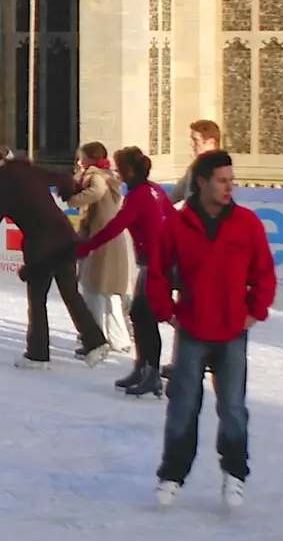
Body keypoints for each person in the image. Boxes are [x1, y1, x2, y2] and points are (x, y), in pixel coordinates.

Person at [148, 150, 276, 511]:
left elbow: (264, 273)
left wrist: (256, 311)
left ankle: (234, 474)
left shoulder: (247, 223)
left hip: (233, 331)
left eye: (231, 180)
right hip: (191, 330)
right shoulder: (177, 224)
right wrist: (166, 311)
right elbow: (157, 273)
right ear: (202, 181)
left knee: (233, 408)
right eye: (222, 180)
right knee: (183, 407)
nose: (229, 187)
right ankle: (172, 475)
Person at [0, 153, 110, 368]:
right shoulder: (34, 173)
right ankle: (96, 342)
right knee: (70, 293)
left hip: (42, 249)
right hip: (65, 238)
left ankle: (37, 354)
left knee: (38, 301)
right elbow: (63, 179)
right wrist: (70, 189)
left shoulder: (5, 191)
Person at [79, 147, 171, 396]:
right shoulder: (154, 189)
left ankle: (150, 374)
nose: (117, 172)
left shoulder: (140, 195)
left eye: (120, 168)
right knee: (141, 315)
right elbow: (172, 217)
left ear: (129, 170)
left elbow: (115, 227)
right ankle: (142, 368)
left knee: (146, 318)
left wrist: (85, 247)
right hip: (158, 262)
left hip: (156, 264)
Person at [70, 142, 134, 355]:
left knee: (94, 292)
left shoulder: (97, 176)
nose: (79, 163)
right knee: (106, 293)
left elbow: (96, 192)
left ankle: (96, 340)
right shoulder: (107, 175)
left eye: (82, 158)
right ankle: (118, 339)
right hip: (106, 239)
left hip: (100, 240)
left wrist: (73, 199)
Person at [169, 120, 222, 205]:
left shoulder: (221, 169)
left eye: (195, 140)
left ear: (210, 142)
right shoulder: (194, 167)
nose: (191, 144)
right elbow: (175, 196)